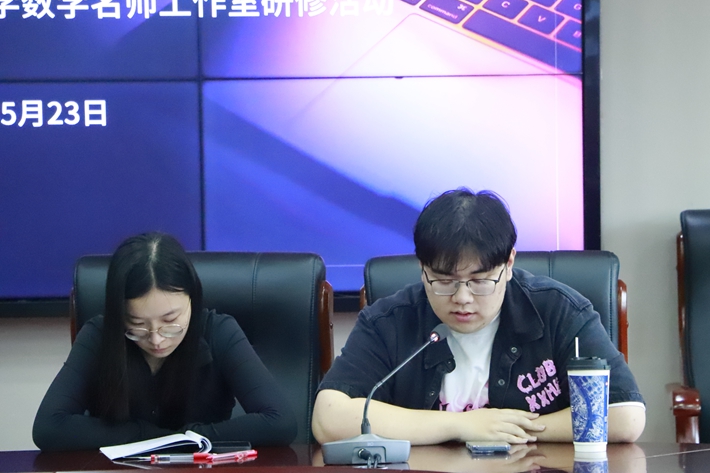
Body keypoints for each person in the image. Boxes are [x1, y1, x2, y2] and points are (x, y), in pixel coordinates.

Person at [312, 189, 645, 445]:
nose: (462, 298)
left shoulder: (557, 310)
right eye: (444, 281)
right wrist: (461, 425)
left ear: (509, 264)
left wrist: (504, 429)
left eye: (480, 281)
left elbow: (624, 415)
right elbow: (328, 418)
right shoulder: (390, 321)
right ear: (422, 268)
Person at [33, 232, 297, 451]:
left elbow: (280, 422)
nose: (156, 339)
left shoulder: (219, 332)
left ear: (193, 297)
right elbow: (48, 428)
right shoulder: (99, 336)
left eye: (170, 320)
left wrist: (189, 437)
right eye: (137, 324)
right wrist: (153, 437)